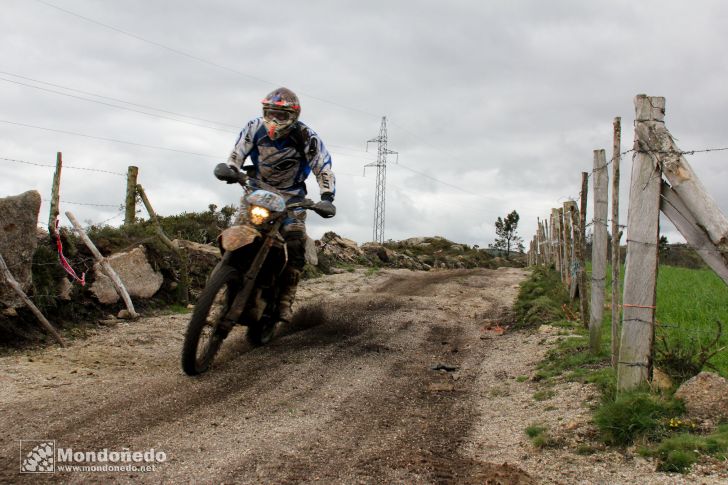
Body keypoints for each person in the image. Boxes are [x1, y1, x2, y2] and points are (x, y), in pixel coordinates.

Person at [224, 87, 336, 323]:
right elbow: (237, 153)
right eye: (270, 113)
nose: (275, 121)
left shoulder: (307, 137)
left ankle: (285, 300)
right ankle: (226, 279)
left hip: (292, 197)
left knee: (295, 243)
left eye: (282, 116)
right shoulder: (254, 127)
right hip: (257, 189)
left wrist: (326, 198)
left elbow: (323, 167)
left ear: (294, 116)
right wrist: (231, 169)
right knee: (234, 235)